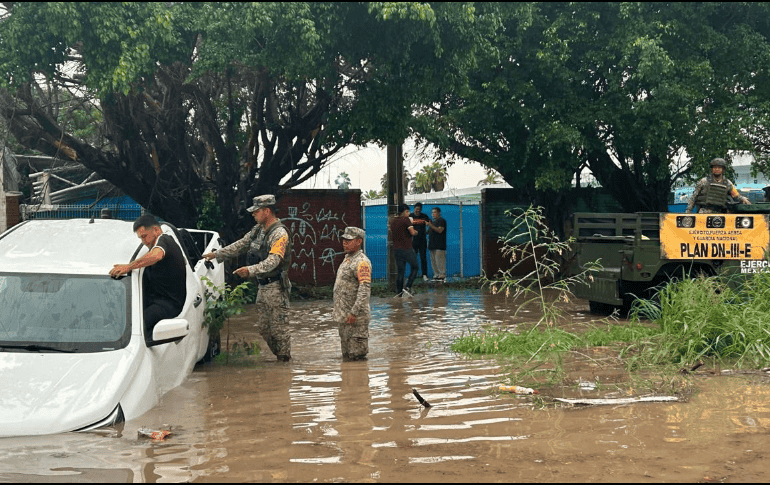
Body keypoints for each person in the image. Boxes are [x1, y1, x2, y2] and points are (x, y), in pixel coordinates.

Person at [202, 194, 293, 361]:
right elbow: (241, 244)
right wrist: (216, 254)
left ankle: (284, 364)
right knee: (264, 329)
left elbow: (274, 260)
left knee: (280, 330)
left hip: (276, 287)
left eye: (256, 211)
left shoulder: (279, 233)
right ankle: (280, 359)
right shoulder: (258, 230)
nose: (253, 214)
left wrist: (251, 270)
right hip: (263, 286)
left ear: (267, 211)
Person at [109, 215, 187, 344]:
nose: (143, 241)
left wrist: (128, 266)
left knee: (137, 325)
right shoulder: (157, 244)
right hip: (156, 299)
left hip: (169, 304)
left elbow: (156, 255)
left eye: (144, 236)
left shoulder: (164, 240)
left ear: (156, 230)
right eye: (140, 238)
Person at [333, 226, 372, 360]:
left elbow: (364, 290)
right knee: (347, 357)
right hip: (344, 317)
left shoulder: (361, 262)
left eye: (349, 240)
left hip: (356, 319)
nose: (345, 242)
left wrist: (354, 312)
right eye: (344, 239)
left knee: (357, 358)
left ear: (359, 241)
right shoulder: (348, 259)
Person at [686, 158, 750, 213]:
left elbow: (736, 195)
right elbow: (693, 198)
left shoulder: (727, 183)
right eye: (715, 167)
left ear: (723, 169)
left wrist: (743, 199)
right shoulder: (704, 181)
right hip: (704, 212)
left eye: (719, 167)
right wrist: (688, 211)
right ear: (712, 169)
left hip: (721, 213)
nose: (717, 169)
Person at [390, 203, 418, 297]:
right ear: (404, 211)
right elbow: (412, 232)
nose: (409, 213)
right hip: (407, 248)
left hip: (397, 249)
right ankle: (408, 287)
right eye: (407, 211)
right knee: (415, 267)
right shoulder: (406, 220)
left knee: (400, 271)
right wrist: (416, 232)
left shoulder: (393, 221)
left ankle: (399, 293)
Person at [409, 202, 432, 281]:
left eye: (419, 209)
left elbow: (430, 224)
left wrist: (427, 231)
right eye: (416, 209)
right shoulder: (411, 216)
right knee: (413, 258)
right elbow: (407, 224)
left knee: (423, 257)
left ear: (421, 210)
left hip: (422, 240)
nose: (417, 211)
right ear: (414, 209)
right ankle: (413, 274)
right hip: (413, 240)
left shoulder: (424, 216)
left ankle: (424, 274)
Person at [426, 207, 447, 282]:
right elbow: (428, 232)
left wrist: (430, 225)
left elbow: (440, 230)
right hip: (432, 245)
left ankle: (442, 275)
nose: (433, 214)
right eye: (432, 213)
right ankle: (436, 275)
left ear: (439, 213)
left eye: (434, 212)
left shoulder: (442, 221)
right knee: (434, 262)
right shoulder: (433, 222)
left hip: (440, 245)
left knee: (439, 261)